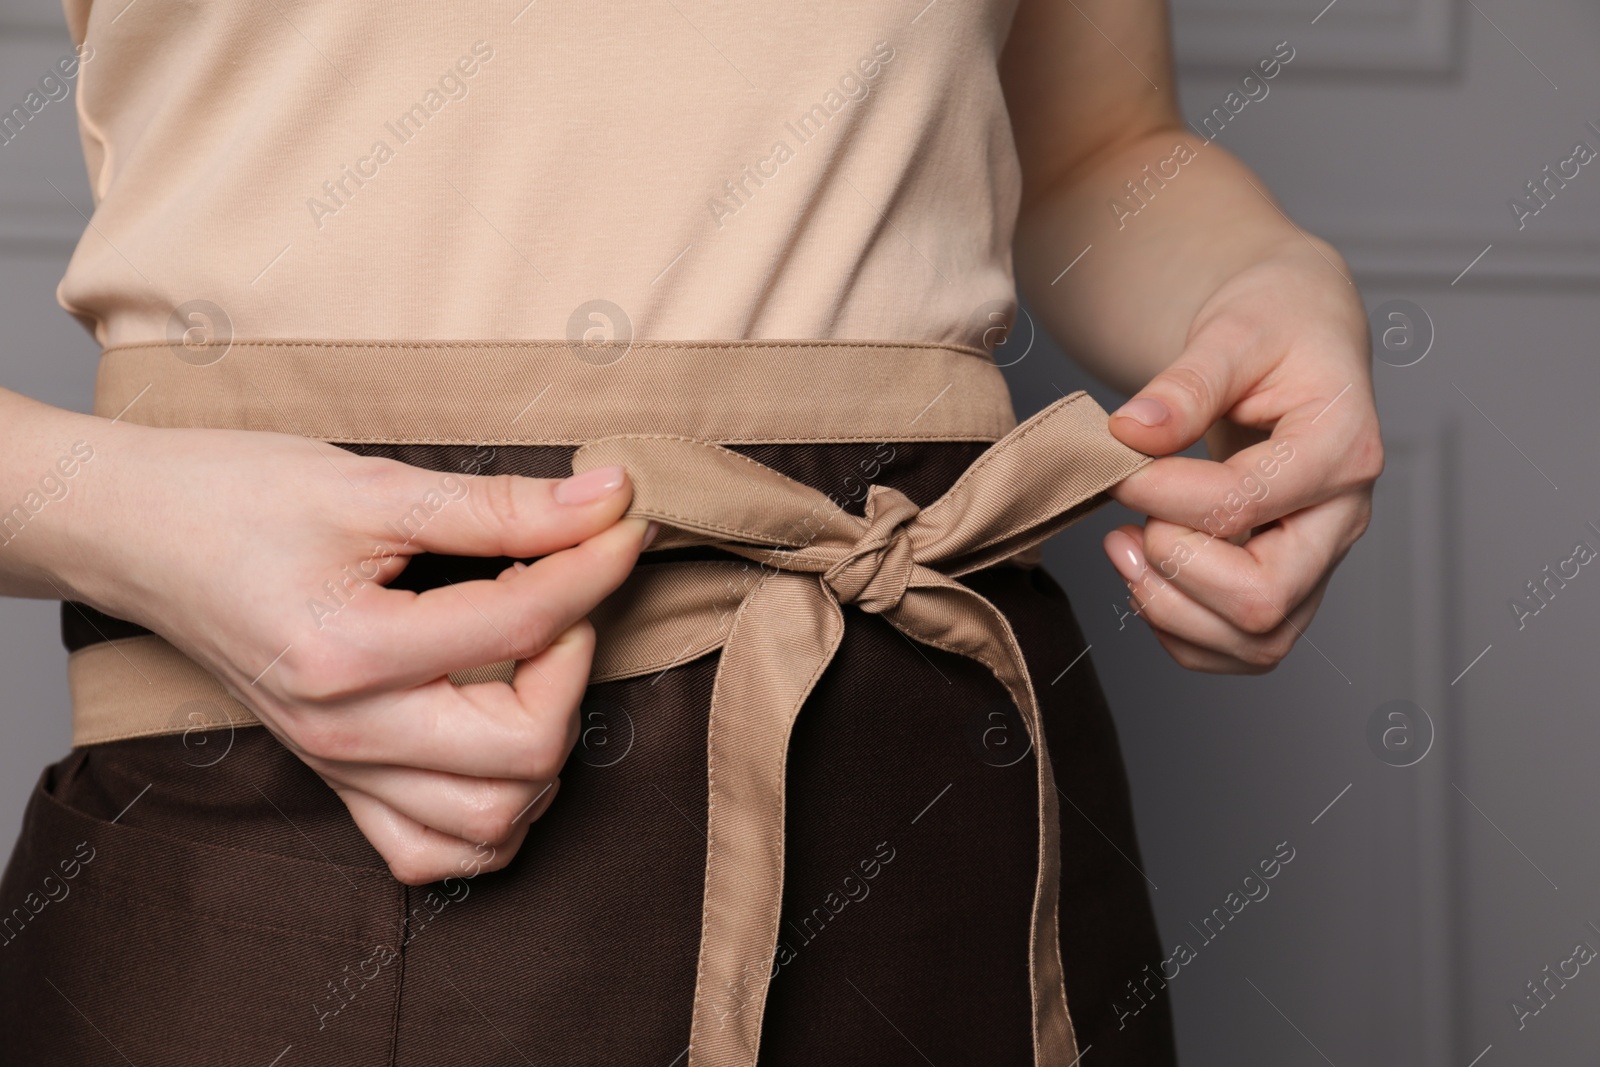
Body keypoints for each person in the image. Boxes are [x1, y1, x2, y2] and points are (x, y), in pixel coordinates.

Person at [0, 0, 1380, 1063]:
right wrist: (117, 512)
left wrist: (1259, 282)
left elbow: (1093, 142)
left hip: (954, 809)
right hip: (323, 792)